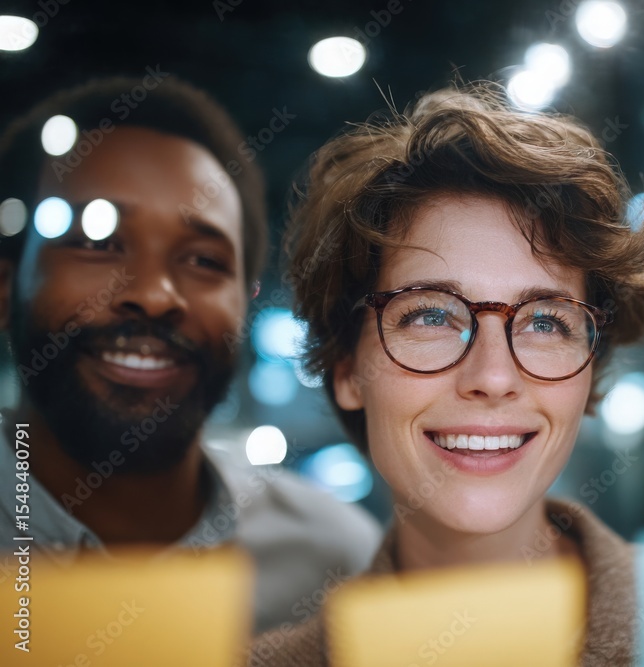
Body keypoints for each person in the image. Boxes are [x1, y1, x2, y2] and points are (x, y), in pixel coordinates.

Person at [243, 82, 644, 666]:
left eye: (546, 323)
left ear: (589, 373)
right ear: (347, 369)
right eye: (431, 315)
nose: (492, 377)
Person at [0, 77, 381, 633]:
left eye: (203, 261)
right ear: (7, 287)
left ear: (245, 305)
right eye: (99, 243)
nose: (156, 295)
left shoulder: (334, 564)